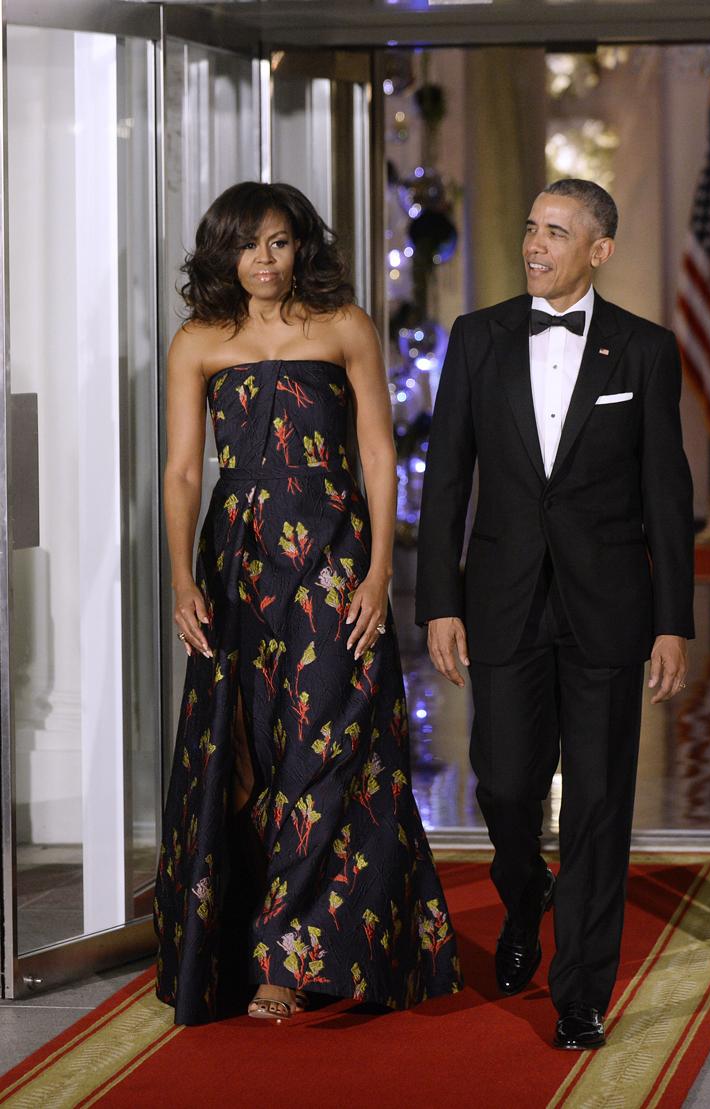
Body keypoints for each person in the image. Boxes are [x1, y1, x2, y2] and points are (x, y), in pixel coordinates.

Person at [154, 181, 462, 1026]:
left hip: (332, 560)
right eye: (248, 244)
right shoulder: (198, 342)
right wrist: (181, 577)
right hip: (236, 568)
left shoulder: (344, 325)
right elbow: (184, 472)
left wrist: (375, 576)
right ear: (224, 251)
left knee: (326, 745)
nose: (264, 260)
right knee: (247, 751)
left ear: (302, 248)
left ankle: (288, 957)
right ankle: (248, 934)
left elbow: (376, 450)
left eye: (280, 242)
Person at [416, 178, 694, 1050]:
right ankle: (523, 888)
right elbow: (448, 478)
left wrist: (674, 620)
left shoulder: (645, 351)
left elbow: (667, 495)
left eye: (556, 232)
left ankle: (580, 992)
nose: (534, 244)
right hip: (500, 603)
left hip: (610, 609)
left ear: (599, 250)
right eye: (531, 226)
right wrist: (439, 603)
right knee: (502, 781)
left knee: (600, 804)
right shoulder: (478, 337)